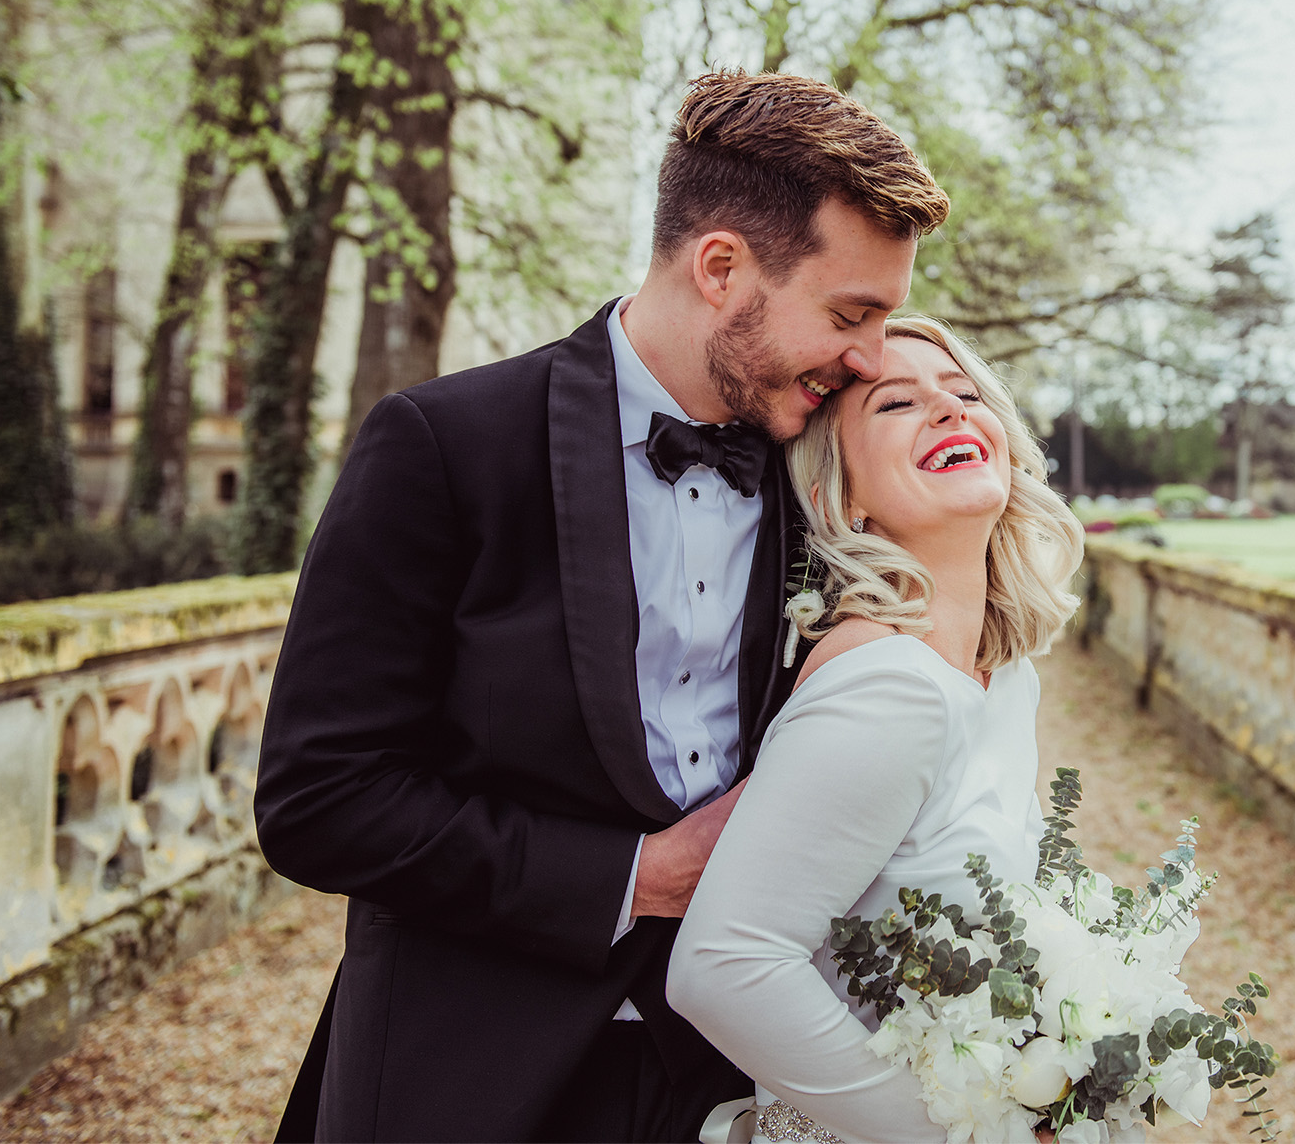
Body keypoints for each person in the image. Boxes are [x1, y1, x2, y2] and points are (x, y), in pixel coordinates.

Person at [254, 71, 949, 1142]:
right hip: (468, 1071)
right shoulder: (445, 446)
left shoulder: (824, 477)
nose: (867, 358)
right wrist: (632, 878)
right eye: (849, 314)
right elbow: (320, 799)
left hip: (734, 1076)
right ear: (720, 268)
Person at [667, 316, 1087, 1144]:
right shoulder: (888, 684)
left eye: (965, 393)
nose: (949, 408)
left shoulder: (1005, 679)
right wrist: (959, 1136)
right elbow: (724, 965)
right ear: (841, 496)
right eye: (897, 403)